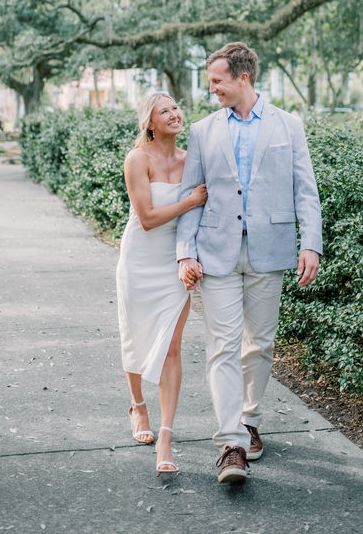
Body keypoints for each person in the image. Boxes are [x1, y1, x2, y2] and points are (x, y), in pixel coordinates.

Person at [176, 42, 322, 484]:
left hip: (270, 248)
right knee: (221, 346)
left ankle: (250, 419)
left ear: (243, 77)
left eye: (217, 82)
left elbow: (305, 189)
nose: (212, 90)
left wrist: (310, 243)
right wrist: (186, 250)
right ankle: (231, 444)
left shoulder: (288, 125)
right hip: (215, 251)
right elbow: (191, 196)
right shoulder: (202, 130)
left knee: (259, 343)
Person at [116, 92, 207, 476]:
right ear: (150, 123)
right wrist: (190, 201)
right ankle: (138, 405)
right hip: (139, 259)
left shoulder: (192, 162)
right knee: (135, 337)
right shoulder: (138, 159)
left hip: (173, 263)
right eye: (164, 111)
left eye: (175, 108)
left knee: (171, 345)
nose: (174, 114)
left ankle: (166, 437)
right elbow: (149, 218)